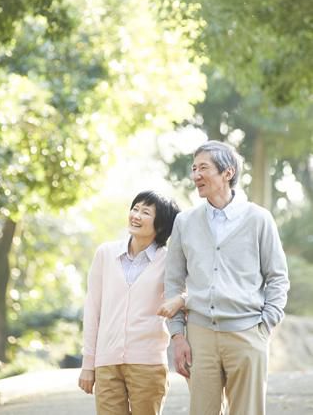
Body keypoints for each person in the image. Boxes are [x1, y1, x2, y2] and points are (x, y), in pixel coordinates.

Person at [163, 140, 290, 415]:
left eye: (203, 168)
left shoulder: (259, 219)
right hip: (199, 336)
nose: (195, 175)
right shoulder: (184, 222)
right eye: (194, 168)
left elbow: (278, 278)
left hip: (248, 334)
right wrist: (177, 336)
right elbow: (173, 282)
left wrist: (265, 326)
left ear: (227, 173)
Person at [78, 190, 180, 415]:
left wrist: (181, 299)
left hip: (148, 363)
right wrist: (89, 363)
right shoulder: (105, 253)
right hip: (106, 363)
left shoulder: (170, 260)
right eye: (135, 208)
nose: (136, 215)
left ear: (161, 225)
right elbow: (93, 309)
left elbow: (193, 291)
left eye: (146, 212)